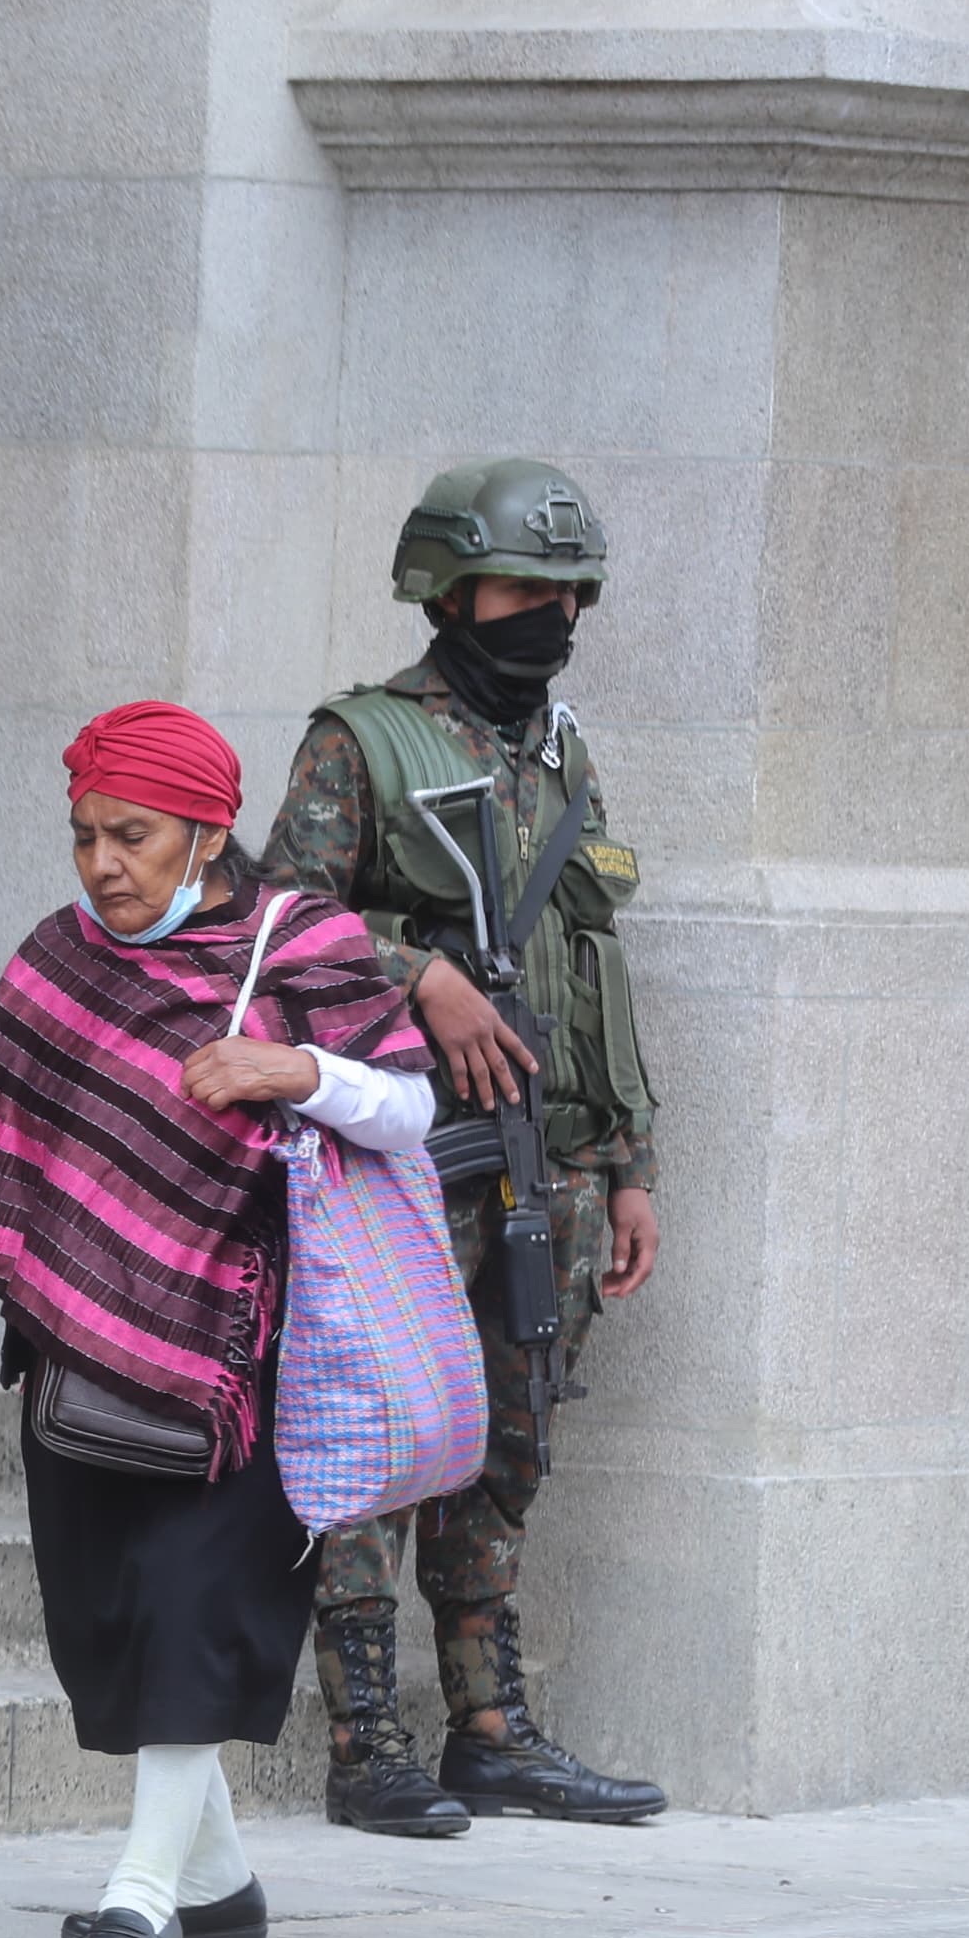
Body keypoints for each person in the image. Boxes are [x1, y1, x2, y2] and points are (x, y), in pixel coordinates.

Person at [0, 702, 438, 1938]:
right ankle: (214, 1882)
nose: (104, 864)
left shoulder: (306, 942)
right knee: (106, 1622)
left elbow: (410, 1103)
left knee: (189, 1609)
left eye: (133, 837)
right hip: (80, 1346)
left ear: (207, 831)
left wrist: (295, 1074)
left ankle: (142, 1894)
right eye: (84, 838)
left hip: (248, 1355)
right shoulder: (58, 955)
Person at [263, 459, 666, 1831]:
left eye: (571, 593)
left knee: (511, 1444)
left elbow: (594, 964)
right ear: (448, 586)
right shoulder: (359, 741)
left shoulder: (563, 751)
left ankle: (491, 1726)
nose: (551, 613)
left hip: (545, 1162)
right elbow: (273, 932)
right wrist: (415, 973)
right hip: (404, 1166)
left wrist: (631, 1165)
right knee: (386, 1446)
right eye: (524, 587)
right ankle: (367, 1741)